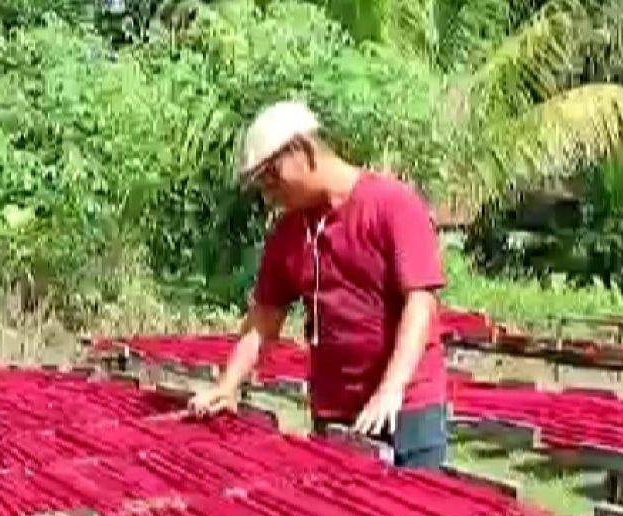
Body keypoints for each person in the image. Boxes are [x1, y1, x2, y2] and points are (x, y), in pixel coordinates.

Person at [189, 100, 449, 469]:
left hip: (405, 409)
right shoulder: (289, 234)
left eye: (272, 176)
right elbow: (265, 318)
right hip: (335, 411)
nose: (269, 194)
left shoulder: (392, 206)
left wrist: (391, 388)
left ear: (304, 151)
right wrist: (228, 383)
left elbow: (419, 305)